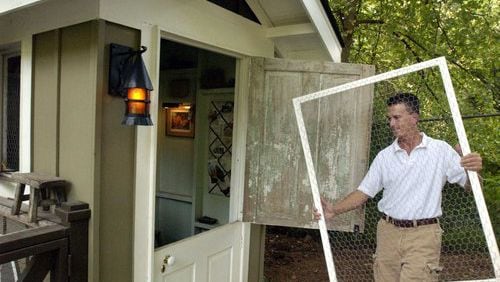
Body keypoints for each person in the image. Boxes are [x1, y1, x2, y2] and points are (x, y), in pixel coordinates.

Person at [314, 92, 482, 281]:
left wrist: (472, 172)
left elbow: (471, 187)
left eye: (397, 117)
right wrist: (334, 210)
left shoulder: (440, 150)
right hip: (388, 233)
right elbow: (363, 192)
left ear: (414, 118)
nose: (391, 124)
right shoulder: (385, 156)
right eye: (389, 118)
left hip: (424, 235)